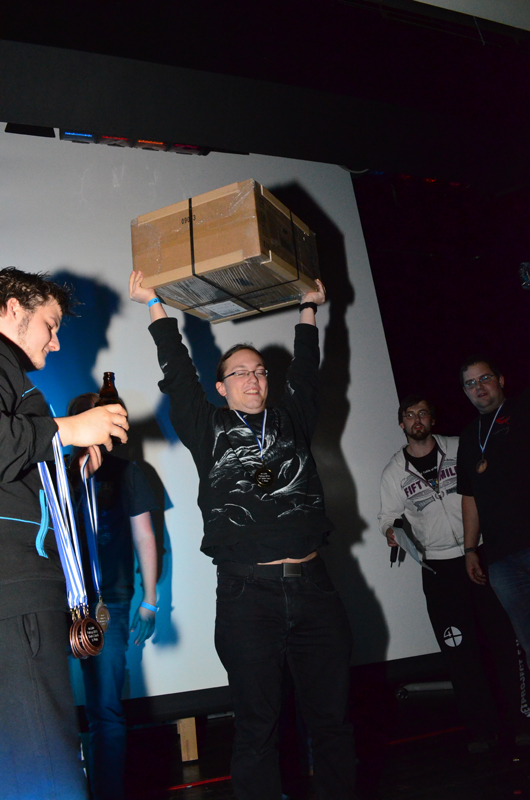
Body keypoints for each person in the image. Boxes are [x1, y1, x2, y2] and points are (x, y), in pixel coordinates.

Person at [129, 270, 357, 800]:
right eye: (240, 373)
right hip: (246, 597)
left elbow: (306, 369)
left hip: (314, 590)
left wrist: (308, 307)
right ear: (222, 387)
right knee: (257, 726)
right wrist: (155, 304)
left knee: (332, 720)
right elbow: (178, 371)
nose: (253, 380)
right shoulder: (206, 426)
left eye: (259, 371)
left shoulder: (292, 418)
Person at [0, 267, 129, 800]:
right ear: (12, 309)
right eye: (49, 326)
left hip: (21, 590)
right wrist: (69, 428)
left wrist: (71, 470)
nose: (55, 343)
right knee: (48, 771)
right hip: (15, 595)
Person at [379, 395, 530, 750]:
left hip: (480, 554)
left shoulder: (458, 447)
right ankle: (483, 730)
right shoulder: (394, 471)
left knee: (504, 641)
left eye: (423, 413)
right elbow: (387, 516)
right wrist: (390, 532)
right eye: (409, 415)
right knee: (460, 651)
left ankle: (521, 720)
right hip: (439, 569)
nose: (417, 419)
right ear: (401, 423)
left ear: (432, 419)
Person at [67, 392, 159, 800]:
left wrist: (150, 600)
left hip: (108, 603)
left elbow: (145, 537)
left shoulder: (126, 471)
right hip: (55, 602)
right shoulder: (55, 472)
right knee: (49, 704)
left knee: (105, 709)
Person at [457, 356, 530, 670]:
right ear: (465, 392)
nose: (479, 387)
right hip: (501, 560)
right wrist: (470, 549)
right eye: (471, 383)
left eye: (484, 378)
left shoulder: (523, 410)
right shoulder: (468, 437)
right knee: (527, 638)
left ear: (500, 380)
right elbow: (469, 496)